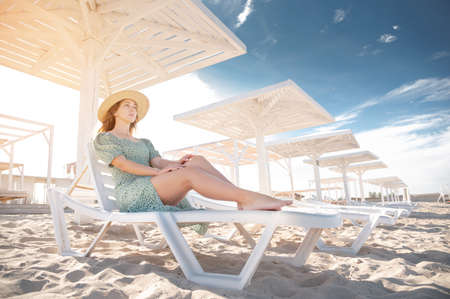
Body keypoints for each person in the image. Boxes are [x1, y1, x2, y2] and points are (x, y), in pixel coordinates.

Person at [93, 90, 291, 233]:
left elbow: (158, 161)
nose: (132, 109)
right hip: (131, 193)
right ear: (114, 111)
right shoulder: (105, 138)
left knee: (196, 162)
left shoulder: (145, 142)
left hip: (155, 186)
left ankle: (242, 199)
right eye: (127, 105)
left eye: (134, 107)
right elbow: (122, 164)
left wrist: (175, 164)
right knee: (188, 174)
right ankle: (248, 198)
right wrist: (157, 173)